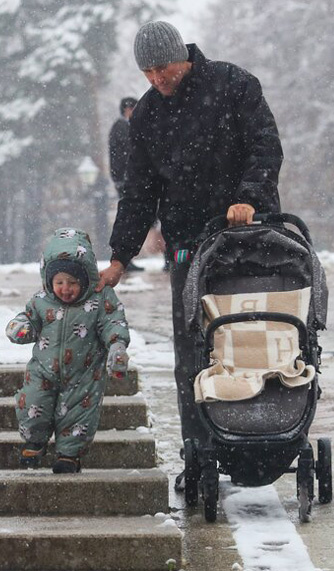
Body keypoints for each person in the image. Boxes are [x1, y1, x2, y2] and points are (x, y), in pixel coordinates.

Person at [95, 21, 283, 487]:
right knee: (192, 353)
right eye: (147, 71)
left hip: (248, 236)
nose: (156, 78)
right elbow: (139, 193)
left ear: (183, 56)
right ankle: (198, 455)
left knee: (252, 337)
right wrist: (120, 255)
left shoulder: (233, 84)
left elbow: (265, 148)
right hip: (186, 245)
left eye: (162, 67)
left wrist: (248, 198)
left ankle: (264, 436)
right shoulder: (146, 117)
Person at [6, 228, 131, 474]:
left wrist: (117, 347)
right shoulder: (41, 300)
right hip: (43, 370)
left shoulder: (99, 299)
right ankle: (35, 440)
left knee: (79, 414)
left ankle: (69, 455)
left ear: (86, 279)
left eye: (73, 282)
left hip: (84, 373)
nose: (65, 288)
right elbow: (30, 319)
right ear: (49, 281)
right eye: (59, 282)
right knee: (32, 403)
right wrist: (21, 327)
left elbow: (113, 322)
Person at [108, 97, 147, 273]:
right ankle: (124, 258)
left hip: (131, 179)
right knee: (130, 215)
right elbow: (125, 155)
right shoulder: (122, 128)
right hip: (128, 179)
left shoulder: (125, 127)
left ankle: (125, 258)